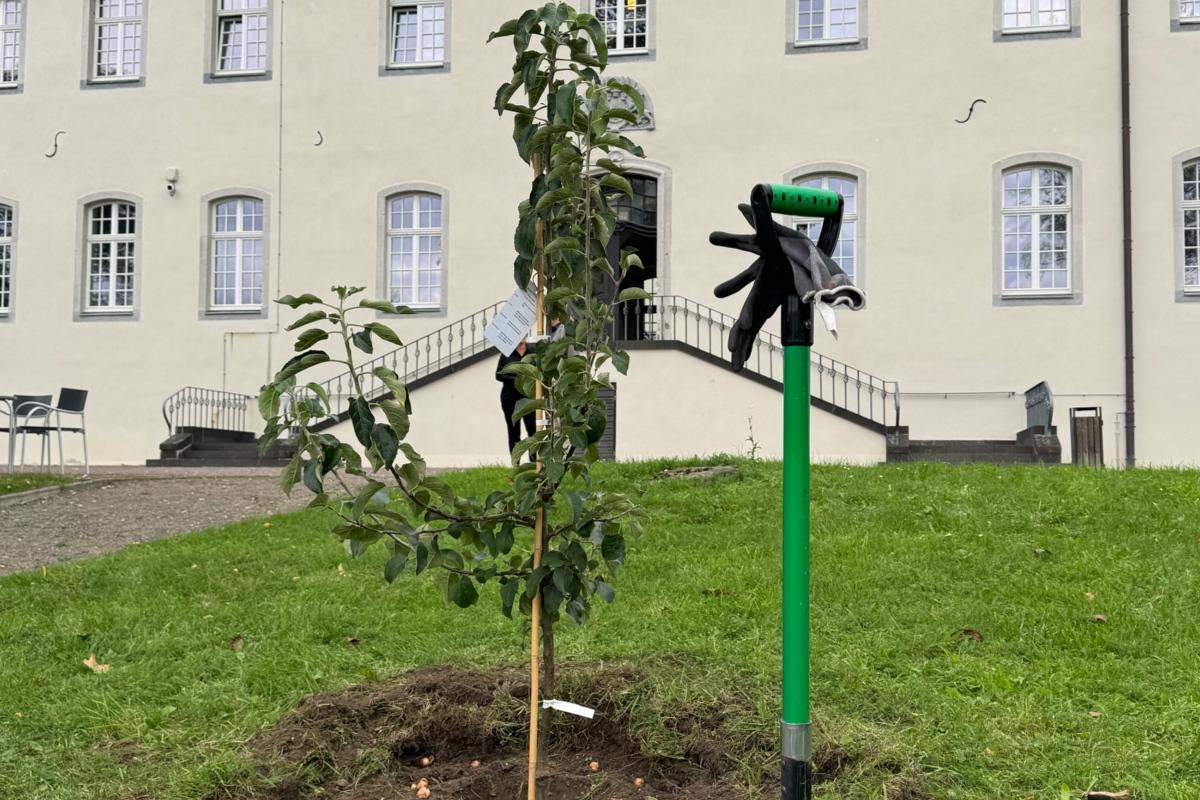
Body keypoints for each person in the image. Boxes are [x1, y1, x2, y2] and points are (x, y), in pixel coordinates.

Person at [497, 338, 535, 454]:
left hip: (528, 398)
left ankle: (534, 463)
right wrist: (516, 380)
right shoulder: (507, 352)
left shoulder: (533, 350)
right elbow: (499, 374)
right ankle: (516, 465)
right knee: (514, 431)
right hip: (510, 399)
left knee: (533, 430)